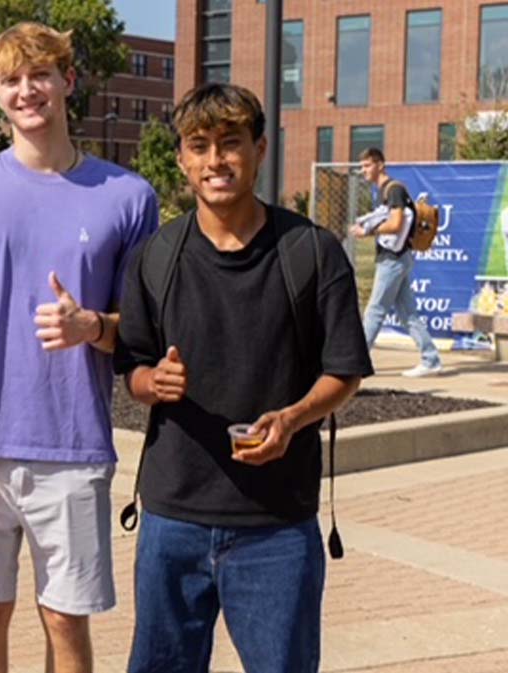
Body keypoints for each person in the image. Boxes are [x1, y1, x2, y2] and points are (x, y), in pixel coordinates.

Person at [0, 23, 157, 673]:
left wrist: (92, 326)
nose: (26, 91)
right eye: (10, 80)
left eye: (40, 75)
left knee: (65, 624)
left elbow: (140, 328)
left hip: (72, 449)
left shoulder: (128, 197)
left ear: (68, 81)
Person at [113, 83, 372, 673]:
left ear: (259, 150)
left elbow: (344, 372)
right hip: (172, 519)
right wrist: (154, 382)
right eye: (199, 146)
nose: (215, 161)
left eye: (230, 143)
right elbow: (131, 367)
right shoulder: (156, 256)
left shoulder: (311, 251)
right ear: (182, 158)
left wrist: (293, 418)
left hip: (277, 527)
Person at [349, 147, 443, 377]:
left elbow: (396, 224)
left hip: (393, 260)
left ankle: (355, 364)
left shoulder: (394, 190)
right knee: (408, 314)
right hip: (397, 258)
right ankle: (431, 359)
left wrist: (366, 231)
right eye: (362, 166)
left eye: (367, 165)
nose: (364, 170)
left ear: (380, 165)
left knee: (375, 310)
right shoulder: (385, 191)